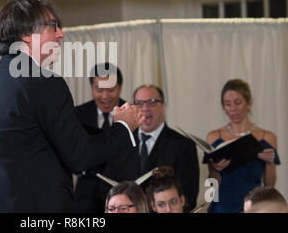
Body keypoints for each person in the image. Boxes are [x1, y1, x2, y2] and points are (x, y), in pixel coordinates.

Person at [0, 0, 143, 212]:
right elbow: (81, 157)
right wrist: (123, 126)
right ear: (27, 34)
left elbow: (32, 140)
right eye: (53, 26)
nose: (61, 34)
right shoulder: (44, 82)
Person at [100, 84, 199, 212]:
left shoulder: (183, 146)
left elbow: (189, 197)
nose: (145, 108)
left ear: (163, 107)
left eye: (152, 102)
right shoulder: (119, 142)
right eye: (139, 103)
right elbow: (104, 189)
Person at [206, 79, 280, 213]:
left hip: (253, 206)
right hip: (222, 207)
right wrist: (215, 169)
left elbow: (270, 185)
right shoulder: (214, 137)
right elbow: (211, 187)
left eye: (238, 103)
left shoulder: (267, 137)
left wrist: (270, 163)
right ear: (223, 107)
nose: (233, 108)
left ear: (249, 103)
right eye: (227, 104)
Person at [73, 62, 126, 213]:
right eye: (99, 89)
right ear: (91, 88)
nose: (105, 96)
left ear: (120, 88)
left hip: (122, 198)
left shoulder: (131, 113)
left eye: (111, 89)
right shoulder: (77, 115)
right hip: (85, 198)